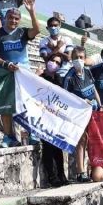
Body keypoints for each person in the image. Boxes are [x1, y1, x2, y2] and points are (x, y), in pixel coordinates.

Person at [0, 0, 41, 148]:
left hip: (23, 73)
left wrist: (32, 12)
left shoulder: (22, 32)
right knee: (6, 105)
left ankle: (31, 133)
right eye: (11, 18)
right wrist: (6, 64)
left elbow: (37, 30)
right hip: (6, 73)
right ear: (5, 18)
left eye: (17, 19)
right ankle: (8, 136)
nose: (13, 21)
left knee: (27, 104)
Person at [63, 46, 102, 182]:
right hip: (79, 114)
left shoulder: (88, 72)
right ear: (72, 59)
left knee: (93, 139)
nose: (78, 60)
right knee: (82, 140)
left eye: (81, 57)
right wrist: (81, 101)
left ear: (85, 59)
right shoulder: (69, 76)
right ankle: (81, 172)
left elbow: (94, 88)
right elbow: (65, 96)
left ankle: (94, 168)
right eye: (76, 58)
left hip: (94, 111)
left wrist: (100, 104)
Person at [39, 57, 69, 187]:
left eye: (58, 62)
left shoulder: (59, 80)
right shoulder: (39, 76)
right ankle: (51, 175)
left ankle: (61, 174)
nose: (55, 64)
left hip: (55, 116)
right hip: (42, 115)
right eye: (53, 61)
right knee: (47, 145)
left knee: (57, 145)